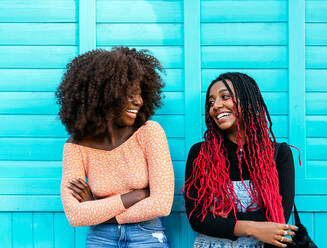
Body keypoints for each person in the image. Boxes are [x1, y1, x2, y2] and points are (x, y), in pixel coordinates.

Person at [56, 47, 174, 248]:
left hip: (146, 235)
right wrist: (136, 195)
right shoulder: (76, 146)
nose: (138, 101)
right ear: (105, 95)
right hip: (100, 239)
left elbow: (161, 204)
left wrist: (96, 211)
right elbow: (76, 216)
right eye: (130, 94)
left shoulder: (149, 132)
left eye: (140, 93)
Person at [183, 72, 297, 248]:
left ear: (247, 101)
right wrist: (253, 227)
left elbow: (278, 216)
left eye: (225, 97)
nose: (216, 106)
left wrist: (227, 218)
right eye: (211, 102)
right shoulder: (200, 154)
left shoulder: (278, 153)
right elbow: (197, 218)